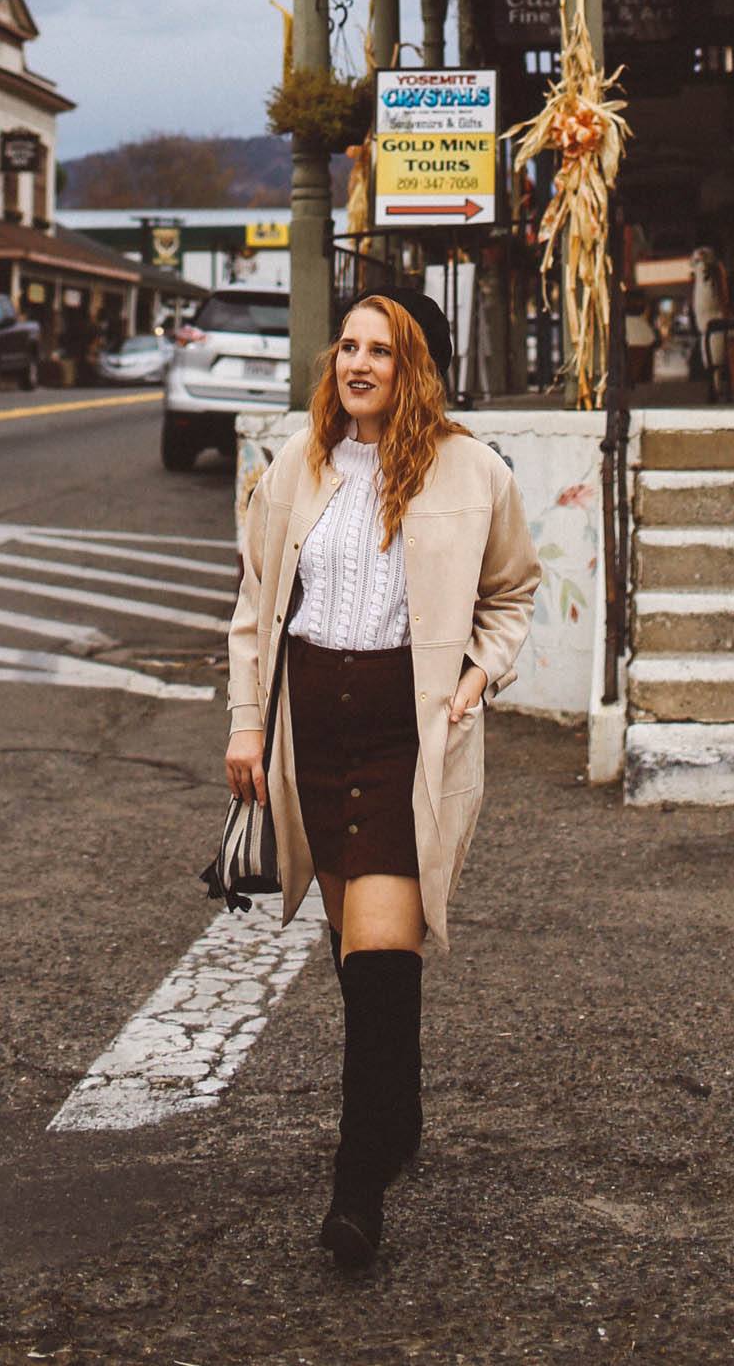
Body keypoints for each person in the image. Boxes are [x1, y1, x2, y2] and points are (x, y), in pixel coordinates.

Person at [225, 294, 541, 1271]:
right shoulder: (295, 466)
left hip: (405, 734)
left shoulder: (471, 471)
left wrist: (477, 677)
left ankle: (355, 1186)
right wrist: (246, 724)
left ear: (415, 369)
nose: (357, 365)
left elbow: (512, 592)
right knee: (352, 952)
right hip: (311, 725)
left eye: (381, 351)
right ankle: (393, 1117)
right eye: (347, 348)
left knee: (378, 954)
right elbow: (253, 603)